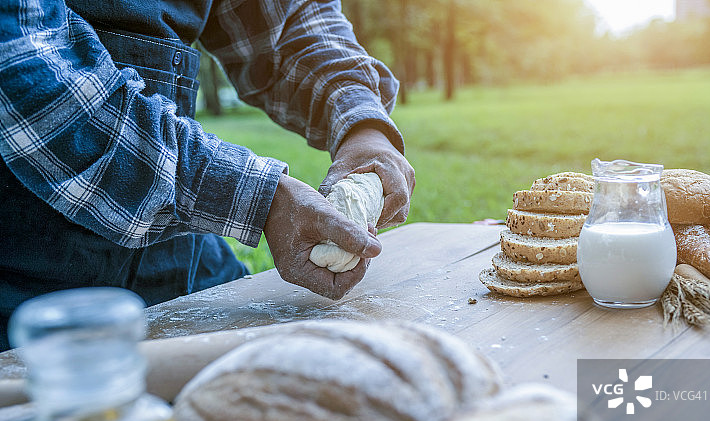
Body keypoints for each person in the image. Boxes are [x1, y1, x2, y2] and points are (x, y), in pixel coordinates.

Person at [0, 0, 415, 350]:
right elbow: (30, 77)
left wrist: (363, 124)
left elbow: (286, 23)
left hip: (180, 257)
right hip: (28, 294)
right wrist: (262, 198)